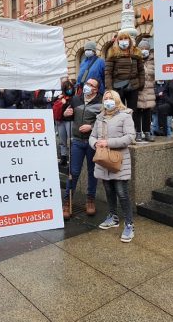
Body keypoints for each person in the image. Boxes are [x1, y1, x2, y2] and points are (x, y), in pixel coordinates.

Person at [91, 90, 136, 242]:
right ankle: (113, 217)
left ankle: (129, 224)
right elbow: (92, 136)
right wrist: (95, 143)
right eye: (105, 98)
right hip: (103, 160)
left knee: (121, 192)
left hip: (118, 160)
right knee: (108, 190)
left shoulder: (125, 116)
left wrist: (108, 143)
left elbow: (130, 137)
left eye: (111, 98)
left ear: (117, 100)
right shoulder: (99, 117)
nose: (108, 100)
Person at [63, 77, 103, 219]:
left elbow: (104, 122)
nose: (87, 86)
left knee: (93, 172)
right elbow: (67, 116)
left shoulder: (101, 101)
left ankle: (90, 200)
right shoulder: (75, 99)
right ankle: (67, 201)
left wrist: (91, 127)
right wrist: (65, 114)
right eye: (86, 83)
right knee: (73, 172)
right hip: (77, 141)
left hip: (92, 142)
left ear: (95, 89)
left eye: (91, 85)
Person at [105, 32, 144, 127]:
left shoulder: (136, 52)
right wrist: (110, 89)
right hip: (118, 86)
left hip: (133, 85)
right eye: (121, 39)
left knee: (133, 110)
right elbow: (108, 73)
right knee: (119, 110)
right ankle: (120, 131)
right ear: (117, 41)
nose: (123, 41)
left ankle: (135, 132)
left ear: (129, 40)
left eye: (125, 39)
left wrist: (141, 84)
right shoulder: (112, 52)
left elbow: (141, 70)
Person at [135, 38, 156, 142]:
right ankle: (138, 132)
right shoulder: (136, 60)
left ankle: (147, 132)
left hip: (149, 90)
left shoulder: (153, 60)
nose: (144, 50)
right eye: (142, 48)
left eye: (146, 48)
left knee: (147, 112)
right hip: (138, 90)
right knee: (137, 111)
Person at [52, 80, 75, 167]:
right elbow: (52, 102)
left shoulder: (74, 98)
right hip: (60, 121)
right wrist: (60, 99)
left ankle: (73, 158)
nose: (70, 90)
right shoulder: (60, 97)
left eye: (70, 88)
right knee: (62, 141)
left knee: (71, 140)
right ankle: (63, 157)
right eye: (67, 88)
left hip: (69, 121)